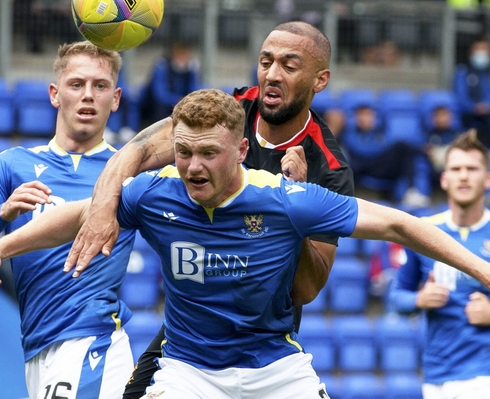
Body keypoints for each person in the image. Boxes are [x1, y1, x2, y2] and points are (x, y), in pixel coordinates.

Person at [0, 89, 490, 399]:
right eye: (183, 151)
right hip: (188, 371)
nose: (191, 165)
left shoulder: (287, 199)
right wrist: (1, 248)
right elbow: (77, 214)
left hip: (273, 368)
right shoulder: (156, 194)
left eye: (207, 153)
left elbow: (400, 225)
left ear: (240, 151)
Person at [78, 21, 354, 398]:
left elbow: (305, 290)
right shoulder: (226, 116)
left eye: (289, 66)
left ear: (319, 80)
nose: (272, 74)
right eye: (265, 61)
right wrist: (101, 209)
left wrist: (299, 201)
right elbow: (137, 150)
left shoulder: (329, 168)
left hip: (264, 340)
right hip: (191, 335)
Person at [0, 41, 136, 399]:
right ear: (54, 93)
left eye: (101, 86)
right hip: (38, 346)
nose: (88, 96)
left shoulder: (129, 174)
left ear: (116, 98)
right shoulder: (12, 165)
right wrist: (2, 215)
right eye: (76, 84)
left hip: (90, 339)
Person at [389, 129, 490, 399]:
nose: (463, 175)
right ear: (444, 179)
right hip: (435, 373)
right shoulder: (422, 234)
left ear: (488, 179)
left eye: (472, 168)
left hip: (484, 373)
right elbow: (395, 299)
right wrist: (420, 300)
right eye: (456, 168)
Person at [140, 41, 201, 127]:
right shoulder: (162, 66)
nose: (182, 59)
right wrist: (177, 99)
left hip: (181, 102)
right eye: (180, 55)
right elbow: (159, 94)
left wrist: (187, 99)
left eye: (185, 56)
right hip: (158, 105)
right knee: (161, 106)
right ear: (173, 55)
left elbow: (194, 88)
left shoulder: (192, 68)